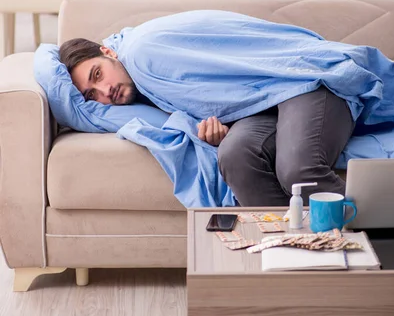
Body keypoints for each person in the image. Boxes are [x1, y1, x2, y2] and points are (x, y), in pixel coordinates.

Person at [59, 11, 357, 207]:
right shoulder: (142, 85)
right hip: (262, 105)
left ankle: (381, 234)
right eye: (91, 95)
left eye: (97, 74)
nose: (104, 92)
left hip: (300, 80)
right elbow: (219, 99)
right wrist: (216, 133)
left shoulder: (141, 53)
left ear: (108, 52)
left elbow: (226, 86)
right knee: (235, 156)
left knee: (297, 170)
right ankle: (292, 251)